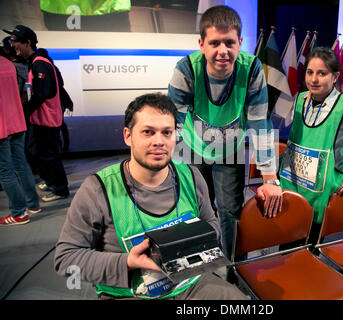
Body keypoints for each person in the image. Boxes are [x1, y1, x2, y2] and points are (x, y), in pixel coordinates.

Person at [54, 93, 247, 300]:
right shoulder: (97, 189)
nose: (159, 141)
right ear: (128, 136)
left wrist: (189, 241)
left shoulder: (191, 176)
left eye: (167, 132)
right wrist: (128, 261)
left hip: (191, 285)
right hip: (130, 294)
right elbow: (66, 259)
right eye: (148, 132)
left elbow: (212, 224)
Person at [168, 5, 282, 261]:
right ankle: (198, 265)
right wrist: (165, 167)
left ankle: (232, 265)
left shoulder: (252, 68)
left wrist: (269, 179)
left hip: (229, 150)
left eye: (230, 43)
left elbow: (259, 123)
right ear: (202, 44)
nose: (223, 51)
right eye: (215, 43)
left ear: (240, 42)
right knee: (195, 210)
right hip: (191, 148)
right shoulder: (186, 69)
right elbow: (173, 124)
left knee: (230, 211)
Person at [279, 47, 343, 245]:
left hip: (320, 194)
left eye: (322, 73)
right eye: (310, 72)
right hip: (291, 185)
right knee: (285, 244)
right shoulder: (300, 99)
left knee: (309, 251)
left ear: (335, 77)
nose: (314, 79)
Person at [3, 25, 69, 202]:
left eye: (15, 41)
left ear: (27, 43)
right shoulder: (35, 61)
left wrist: (23, 111)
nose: (12, 44)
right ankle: (51, 181)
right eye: (11, 41)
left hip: (47, 119)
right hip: (41, 118)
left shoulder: (39, 63)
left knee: (49, 155)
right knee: (37, 152)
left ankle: (60, 189)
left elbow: (42, 93)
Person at [0, 55, 41, 226]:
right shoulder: (8, 64)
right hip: (16, 120)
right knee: (21, 164)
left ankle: (18, 213)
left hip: (2, 125)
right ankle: (32, 204)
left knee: (5, 171)